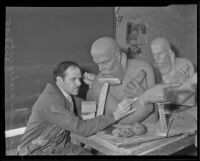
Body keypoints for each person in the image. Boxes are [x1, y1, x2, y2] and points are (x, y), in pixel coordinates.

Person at [17, 61, 180, 155]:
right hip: (37, 150)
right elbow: (81, 128)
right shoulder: (51, 101)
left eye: (79, 79)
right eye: (73, 80)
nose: (79, 84)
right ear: (60, 81)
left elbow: (92, 105)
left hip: (57, 146)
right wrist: (115, 115)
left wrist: (98, 86)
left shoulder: (65, 96)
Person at [87, 37, 161, 125]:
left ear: (117, 57)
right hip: (117, 131)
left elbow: (153, 116)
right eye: (97, 63)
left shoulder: (143, 68)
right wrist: (144, 101)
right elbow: (119, 118)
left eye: (104, 62)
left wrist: (142, 94)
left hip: (149, 129)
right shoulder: (98, 84)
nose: (100, 69)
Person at [150, 37, 196, 106]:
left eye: (160, 53)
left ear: (170, 53)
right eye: (154, 54)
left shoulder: (185, 65)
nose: (156, 58)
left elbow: (176, 100)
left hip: (186, 111)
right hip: (165, 113)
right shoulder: (153, 70)